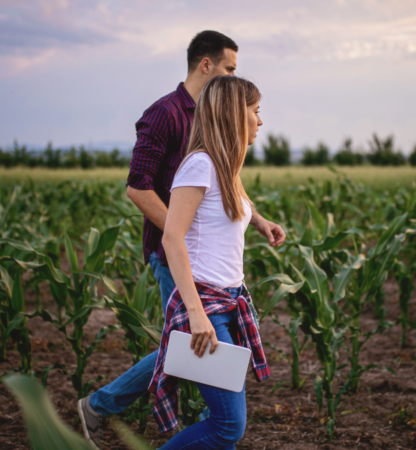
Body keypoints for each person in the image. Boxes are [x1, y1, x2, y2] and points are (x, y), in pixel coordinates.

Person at [78, 31, 285, 450]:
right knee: (201, 375)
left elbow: (228, 191)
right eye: (229, 70)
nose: (261, 120)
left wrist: (256, 219)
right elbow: (140, 190)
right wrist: (186, 236)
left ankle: (104, 406)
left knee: (192, 363)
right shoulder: (168, 118)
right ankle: (100, 406)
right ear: (206, 66)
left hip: (221, 291)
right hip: (192, 275)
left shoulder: (222, 158)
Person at [150, 74, 276, 449]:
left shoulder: (225, 166)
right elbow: (171, 237)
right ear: (233, 115)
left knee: (224, 429)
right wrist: (196, 314)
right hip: (206, 307)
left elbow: (237, 196)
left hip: (228, 301)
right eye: (256, 111)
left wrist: (260, 221)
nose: (261, 120)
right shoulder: (200, 166)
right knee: (226, 426)